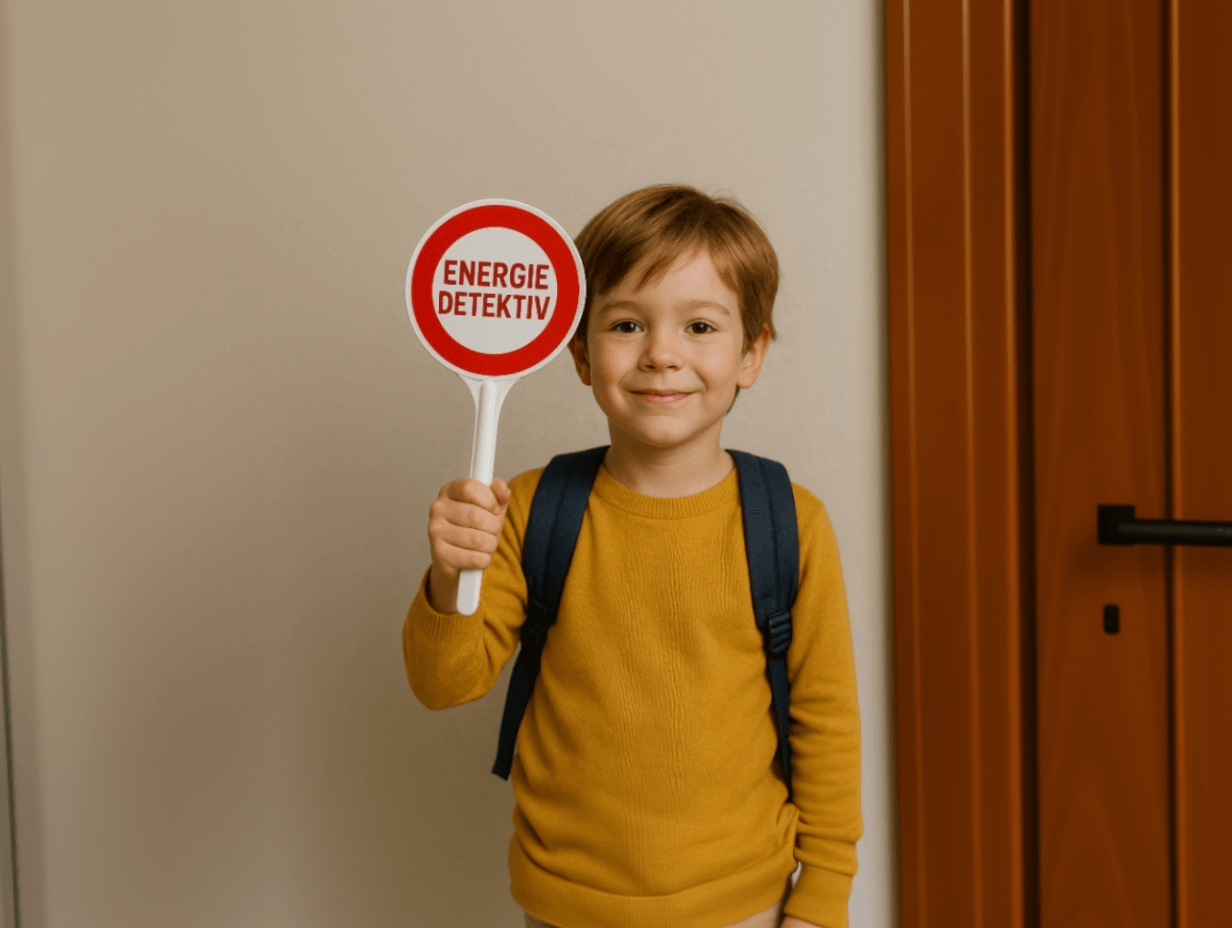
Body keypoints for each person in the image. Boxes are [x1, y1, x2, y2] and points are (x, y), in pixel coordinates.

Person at [403, 185, 862, 928]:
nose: (662, 354)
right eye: (626, 324)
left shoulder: (791, 522)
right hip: (564, 905)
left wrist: (824, 895)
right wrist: (451, 574)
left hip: (746, 905)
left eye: (701, 325)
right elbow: (443, 684)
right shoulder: (528, 509)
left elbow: (827, 723)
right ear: (582, 354)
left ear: (751, 354)